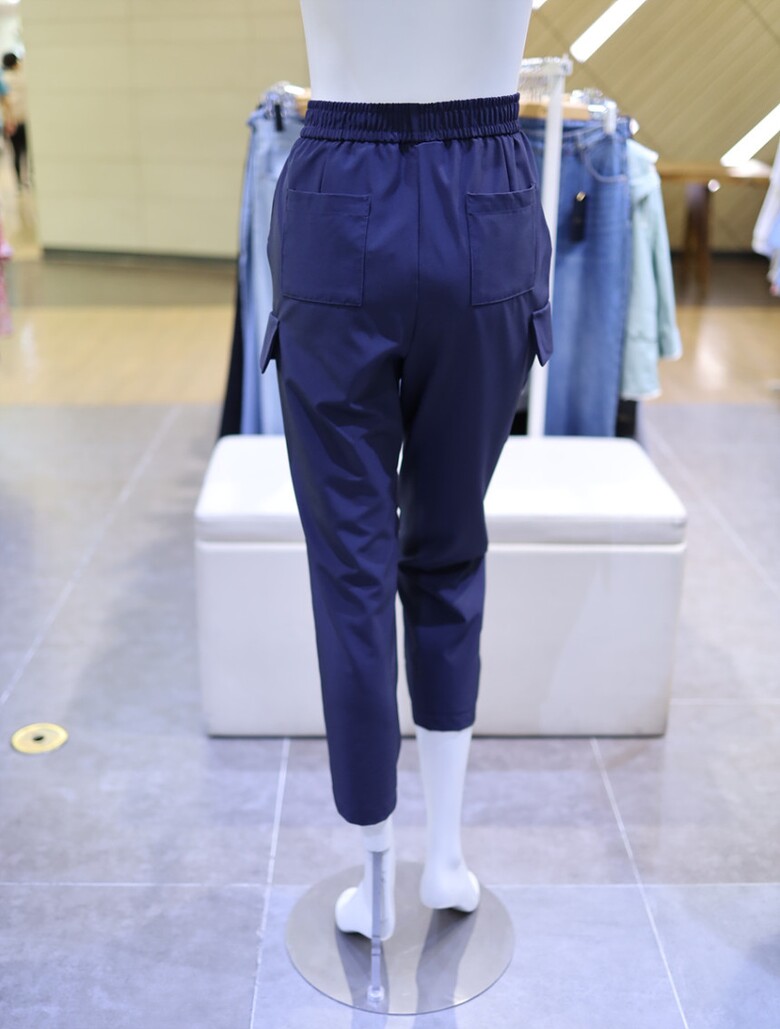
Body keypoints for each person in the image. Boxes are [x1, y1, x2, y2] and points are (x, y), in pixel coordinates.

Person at [263, 0, 550, 939]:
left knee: (351, 565)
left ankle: (376, 872)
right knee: (450, 546)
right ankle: (447, 857)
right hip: (486, 201)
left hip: (337, 197)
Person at [2, 53, 29, 188]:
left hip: (11, 121)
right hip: (22, 118)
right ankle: (27, 179)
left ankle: (19, 181)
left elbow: (5, 102)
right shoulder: (23, 77)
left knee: (16, 151)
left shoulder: (3, 79)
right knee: (25, 151)